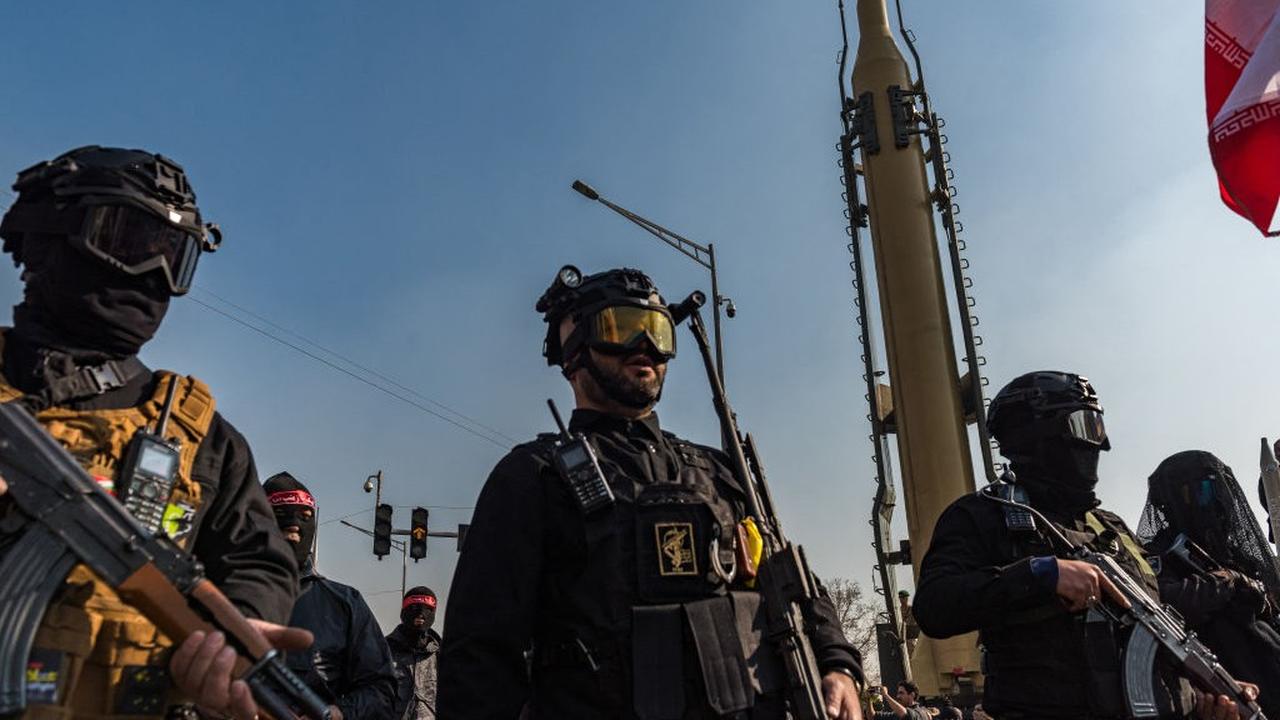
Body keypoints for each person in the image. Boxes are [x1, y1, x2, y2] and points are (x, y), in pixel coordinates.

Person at [440, 266, 864, 719]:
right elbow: (478, 653)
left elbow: (794, 583)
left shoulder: (719, 471)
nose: (644, 346)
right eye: (621, 328)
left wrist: (838, 664)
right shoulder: (534, 476)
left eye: (658, 331)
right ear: (574, 353)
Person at [0, 145, 301, 719]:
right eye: (127, 242)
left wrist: (230, 634)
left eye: (173, 257)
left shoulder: (203, 439)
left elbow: (259, 564)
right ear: (52, 234)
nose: (150, 274)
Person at [913, 371, 1256, 719]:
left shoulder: (1111, 527)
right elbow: (934, 606)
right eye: (1085, 426)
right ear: (1036, 433)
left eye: (1099, 427)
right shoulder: (986, 516)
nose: (1099, 444)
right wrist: (1040, 575)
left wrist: (1199, 697)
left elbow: (1152, 622)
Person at [1137, 450, 1280, 718]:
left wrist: (1249, 587)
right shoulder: (1159, 557)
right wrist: (1224, 583)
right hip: (1216, 697)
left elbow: (1269, 606)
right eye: (1205, 489)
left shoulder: (1237, 557)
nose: (1216, 501)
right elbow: (1162, 604)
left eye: (1219, 489)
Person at [263, 472, 397, 719]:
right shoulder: (220, 594)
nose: (294, 525)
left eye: (305, 517)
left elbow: (381, 690)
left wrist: (337, 713)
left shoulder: (345, 604)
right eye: (281, 515)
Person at [386, 586, 442, 719]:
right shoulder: (383, 650)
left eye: (428, 609)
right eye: (414, 608)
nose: (421, 614)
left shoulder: (440, 655)